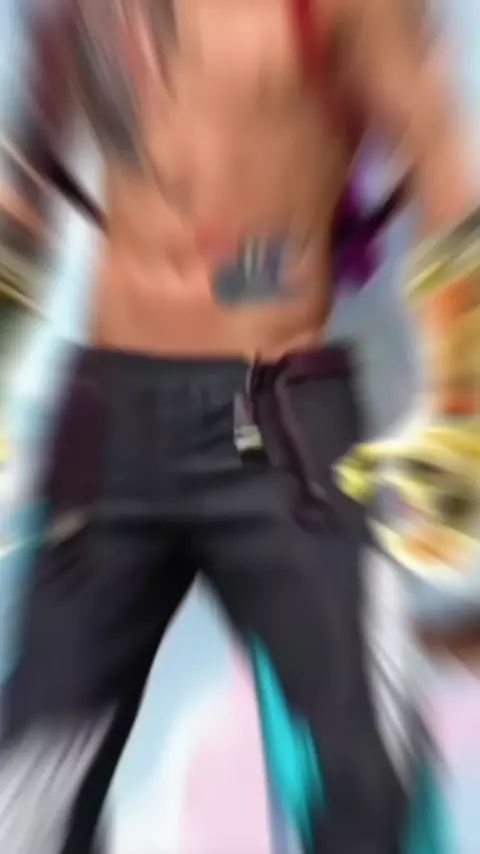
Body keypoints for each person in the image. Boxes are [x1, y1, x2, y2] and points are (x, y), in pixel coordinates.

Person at [0, 0, 478, 852]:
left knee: (372, 785)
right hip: (109, 428)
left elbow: (446, 182)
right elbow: (25, 184)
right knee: (24, 803)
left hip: (280, 424)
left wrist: (459, 480)